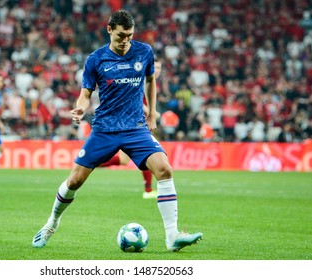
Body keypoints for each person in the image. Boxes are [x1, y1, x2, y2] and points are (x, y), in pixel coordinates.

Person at [32, 10, 203, 252]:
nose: (126, 40)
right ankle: (52, 223)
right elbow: (85, 95)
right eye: (121, 35)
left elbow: (151, 80)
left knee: (164, 169)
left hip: (135, 127)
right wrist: (80, 110)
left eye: (130, 35)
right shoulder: (95, 59)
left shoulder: (144, 51)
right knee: (74, 180)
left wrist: (152, 112)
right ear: (109, 30)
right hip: (105, 129)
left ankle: (172, 236)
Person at [100, 58, 163, 199]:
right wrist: (152, 112)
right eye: (155, 67)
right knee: (149, 153)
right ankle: (148, 191)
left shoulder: (150, 81)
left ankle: (89, 162)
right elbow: (133, 99)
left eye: (159, 68)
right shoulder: (141, 80)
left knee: (123, 160)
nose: (157, 70)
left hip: (133, 121)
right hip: (133, 121)